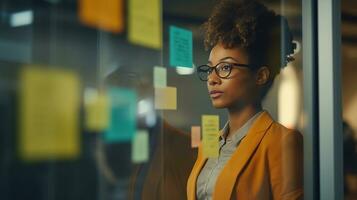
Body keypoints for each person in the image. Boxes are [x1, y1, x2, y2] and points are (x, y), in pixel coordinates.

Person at [187, 1, 303, 199]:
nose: (212, 79)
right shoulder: (210, 143)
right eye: (210, 69)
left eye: (225, 68)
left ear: (260, 76)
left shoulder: (281, 142)